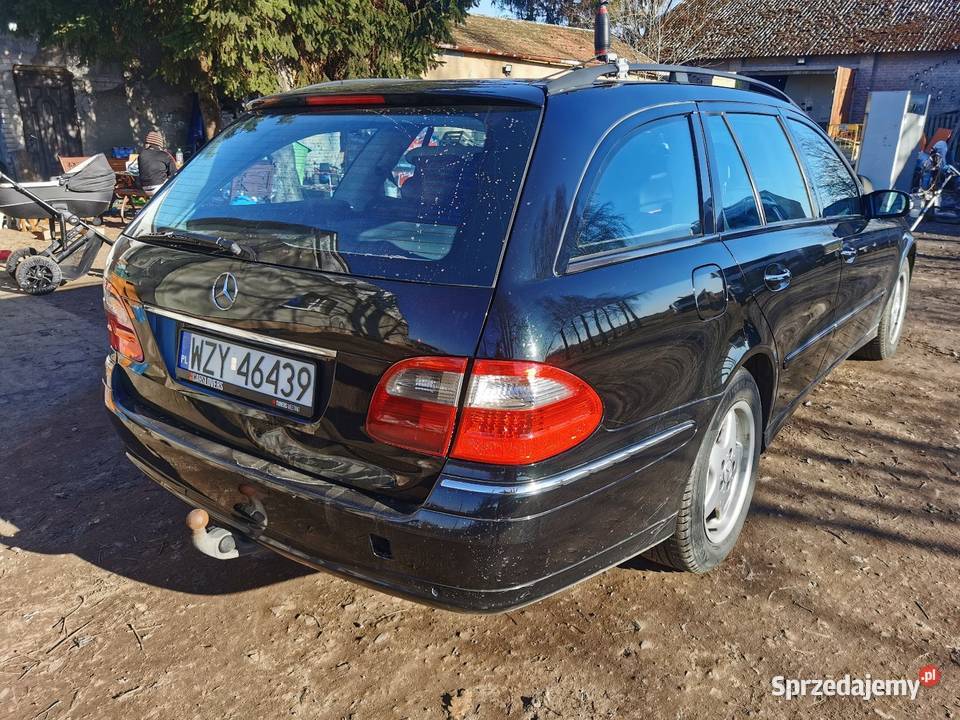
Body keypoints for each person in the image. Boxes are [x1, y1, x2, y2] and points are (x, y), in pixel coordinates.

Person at [138, 130, 176, 196]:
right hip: (159, 188)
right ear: (159, 143)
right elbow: (173, 173)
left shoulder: (141, 154)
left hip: (144, 188)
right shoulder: (165, 155)